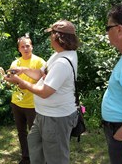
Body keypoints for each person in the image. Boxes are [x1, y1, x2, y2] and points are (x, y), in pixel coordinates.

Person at [5, 20, 80, 164]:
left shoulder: (63, 62)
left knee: (56, 158)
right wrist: (22, 70)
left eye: (52, 34)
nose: (50, 38)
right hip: (43, 115)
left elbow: (45, 92)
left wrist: (20, 81)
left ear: (58, 37)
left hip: (56, 118)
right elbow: (40, 73)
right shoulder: (57, 55)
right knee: (34, 145)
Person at [101, 3, 122, 164]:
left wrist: (120, 137)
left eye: (108, 28)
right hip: (118, 130)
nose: (107, 33)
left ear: (119, 29)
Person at [9, 36, 45, 164]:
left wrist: (21, 82)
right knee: (21, 133)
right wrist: (7, 78)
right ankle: (26, 158)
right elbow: (10, 81)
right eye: (22, 46)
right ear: (19, 49)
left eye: (27, 46)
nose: (25, 48)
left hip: (33, 104)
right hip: (17, 103)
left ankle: (38, 159)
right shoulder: (15, 63)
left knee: (35, 134)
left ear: (32, 46)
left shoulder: (39, 62)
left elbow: (44, 80)